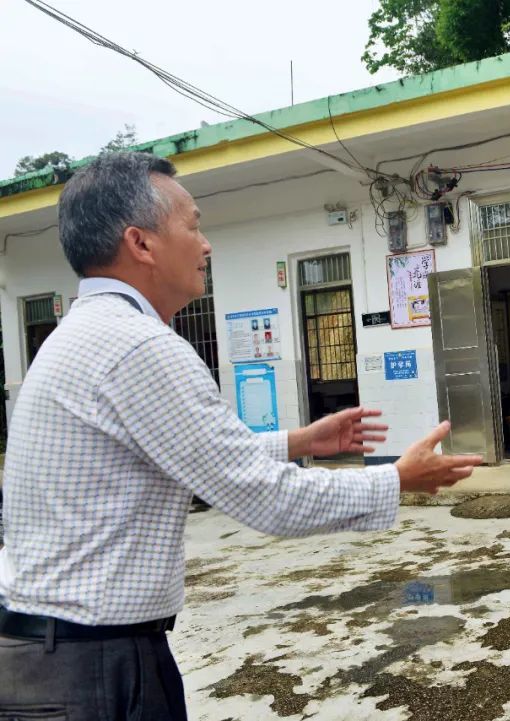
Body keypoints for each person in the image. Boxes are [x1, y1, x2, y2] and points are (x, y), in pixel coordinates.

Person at [0, 152, 483, 720]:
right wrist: (396, 480)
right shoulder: (141, 347)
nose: (206, 244)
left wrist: (298, 442)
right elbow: (266, 497)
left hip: (57, 653)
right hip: (94, 667)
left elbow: (182, 457)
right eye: (193, 224)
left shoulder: (81, 334)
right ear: (142, 243)